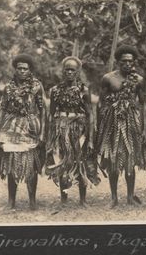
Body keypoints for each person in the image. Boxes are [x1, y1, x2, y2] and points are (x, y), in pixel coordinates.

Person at [95, 45, 146, 208]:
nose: (127, 64)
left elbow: (143, 104)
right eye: (124, 61)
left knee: (130, 158)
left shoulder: (138, 80)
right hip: (112, 122)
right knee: (113, 160)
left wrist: (144, 127)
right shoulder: (108, 78)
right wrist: (100, 127)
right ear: (118, 62)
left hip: (132, 122)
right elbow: (101, 103)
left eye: (130, 62)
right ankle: (114, 197)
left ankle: (131, 196)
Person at [46, 56, 100, 206]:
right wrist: (51, 136)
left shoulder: (84, 91)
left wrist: (89, 138)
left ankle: (83, 200)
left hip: (79, 130)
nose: (69, 72)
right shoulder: (55, 91)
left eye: (73, 70)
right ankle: (64, 199)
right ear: (63, 71)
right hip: (61, 130)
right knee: (63, 162)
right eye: (67, 69)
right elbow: (51, 114)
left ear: (78, 72)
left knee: (81, 162)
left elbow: (90, 115)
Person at [0, 54, 45, 210]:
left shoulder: (37, 86)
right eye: (19, 68)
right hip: (11, 126)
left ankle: (32, 200)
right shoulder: (8, 88)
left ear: (29, 70)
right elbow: (2, 109)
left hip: (30, 126)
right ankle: (11, 201)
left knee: (31, 165)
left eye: (25, 69)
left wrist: (42, 132)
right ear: (15, 70)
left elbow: (43, 110)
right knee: (11, 164)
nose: (22, 71)